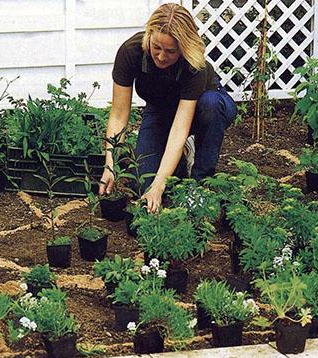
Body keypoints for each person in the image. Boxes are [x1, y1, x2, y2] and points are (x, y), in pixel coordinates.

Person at [98, 3, 237, 213]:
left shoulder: (194, 66)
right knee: (144, 182)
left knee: (209, 105)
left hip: (206, 107)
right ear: (149, 36)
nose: (162, 56)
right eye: (157, 47)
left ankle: (201, 182)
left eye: (171, 51)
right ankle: (181, 157)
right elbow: (118, 115)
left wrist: (160, 185)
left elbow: (181, 126)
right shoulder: (131, 52)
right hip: (160, 110)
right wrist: (111, 164)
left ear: (183, 48)